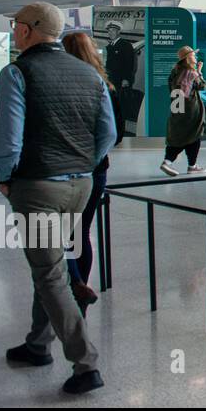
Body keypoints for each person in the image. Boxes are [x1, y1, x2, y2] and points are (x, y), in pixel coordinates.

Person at [0, 2, 115, 395]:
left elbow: (10, 136)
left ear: (28, 31)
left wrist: (4, 176)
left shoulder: (16, 72)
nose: (15, 31)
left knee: (49, 273)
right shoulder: (89, 74)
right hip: (79, 186)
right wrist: (84, 164)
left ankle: (86, 365)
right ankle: (37, 344)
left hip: (38, 187)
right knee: (51, 266)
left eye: (17, 26)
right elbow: (107, 134)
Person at [61, 31, 122, 313]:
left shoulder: (61, 85)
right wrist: (92, 158)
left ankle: (74, 283)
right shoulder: (105, 86)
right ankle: (80, 286)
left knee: (58, 233)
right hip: (96, 170)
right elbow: (115, 132)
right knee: (80, 231)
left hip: (65, 169)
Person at [161, 45, 206, 177]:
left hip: (177, 109)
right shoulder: (190, 73)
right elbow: (202, 85)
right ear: (187, 58)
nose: (195, 57)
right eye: (193, 55)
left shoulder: (175, 71)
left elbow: (176, 92)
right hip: (190, 112)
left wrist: (197, 70)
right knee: (193, 136)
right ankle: (190, 166)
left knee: (179, 136)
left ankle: (168, 161)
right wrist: (198, 72)